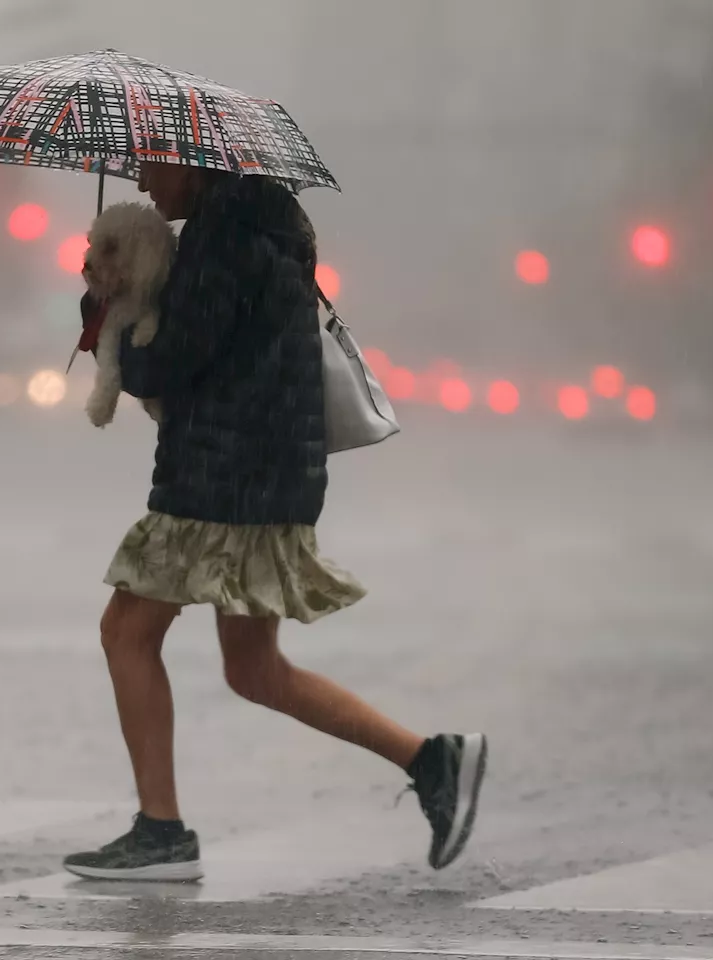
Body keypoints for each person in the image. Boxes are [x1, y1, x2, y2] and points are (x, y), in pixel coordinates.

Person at [64, 160, 487, 882]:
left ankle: (161, 833)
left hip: (222, 479)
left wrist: (105, 325)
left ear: (192, 162)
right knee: (254, 669)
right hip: (263, 475)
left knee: (126, 633)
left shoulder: (222, 236)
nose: (141, 177)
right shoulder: (259, 225)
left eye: (153, 160)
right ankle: (432, 760)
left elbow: (174, 360)